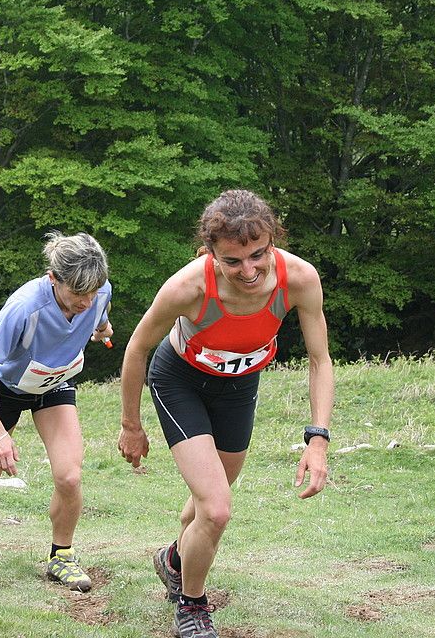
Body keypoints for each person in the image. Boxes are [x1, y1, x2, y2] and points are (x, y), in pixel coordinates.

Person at [117, 190, 334, 638]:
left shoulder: (300, 278)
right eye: (233, 262)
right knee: (215, 510)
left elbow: (320, 360)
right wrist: (131, 425)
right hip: (180, 383)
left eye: (259, 255)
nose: (249, 271)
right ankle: (192, 606)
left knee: (204, 505)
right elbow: (137, 348)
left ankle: (173, 559)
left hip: (239, 388)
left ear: (274, 240)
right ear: (209, 253)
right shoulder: (188, 287)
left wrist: (318, 438)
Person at [0, 232, 112, 593]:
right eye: (77, 293)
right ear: (53, 279)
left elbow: (98, 314)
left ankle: (61, 556)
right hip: (3, 390)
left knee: (69, 476)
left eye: (92, 292)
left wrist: (102, 328)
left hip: (54, 385)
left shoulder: (98, 293)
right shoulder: (24, 307)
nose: (85, 300)